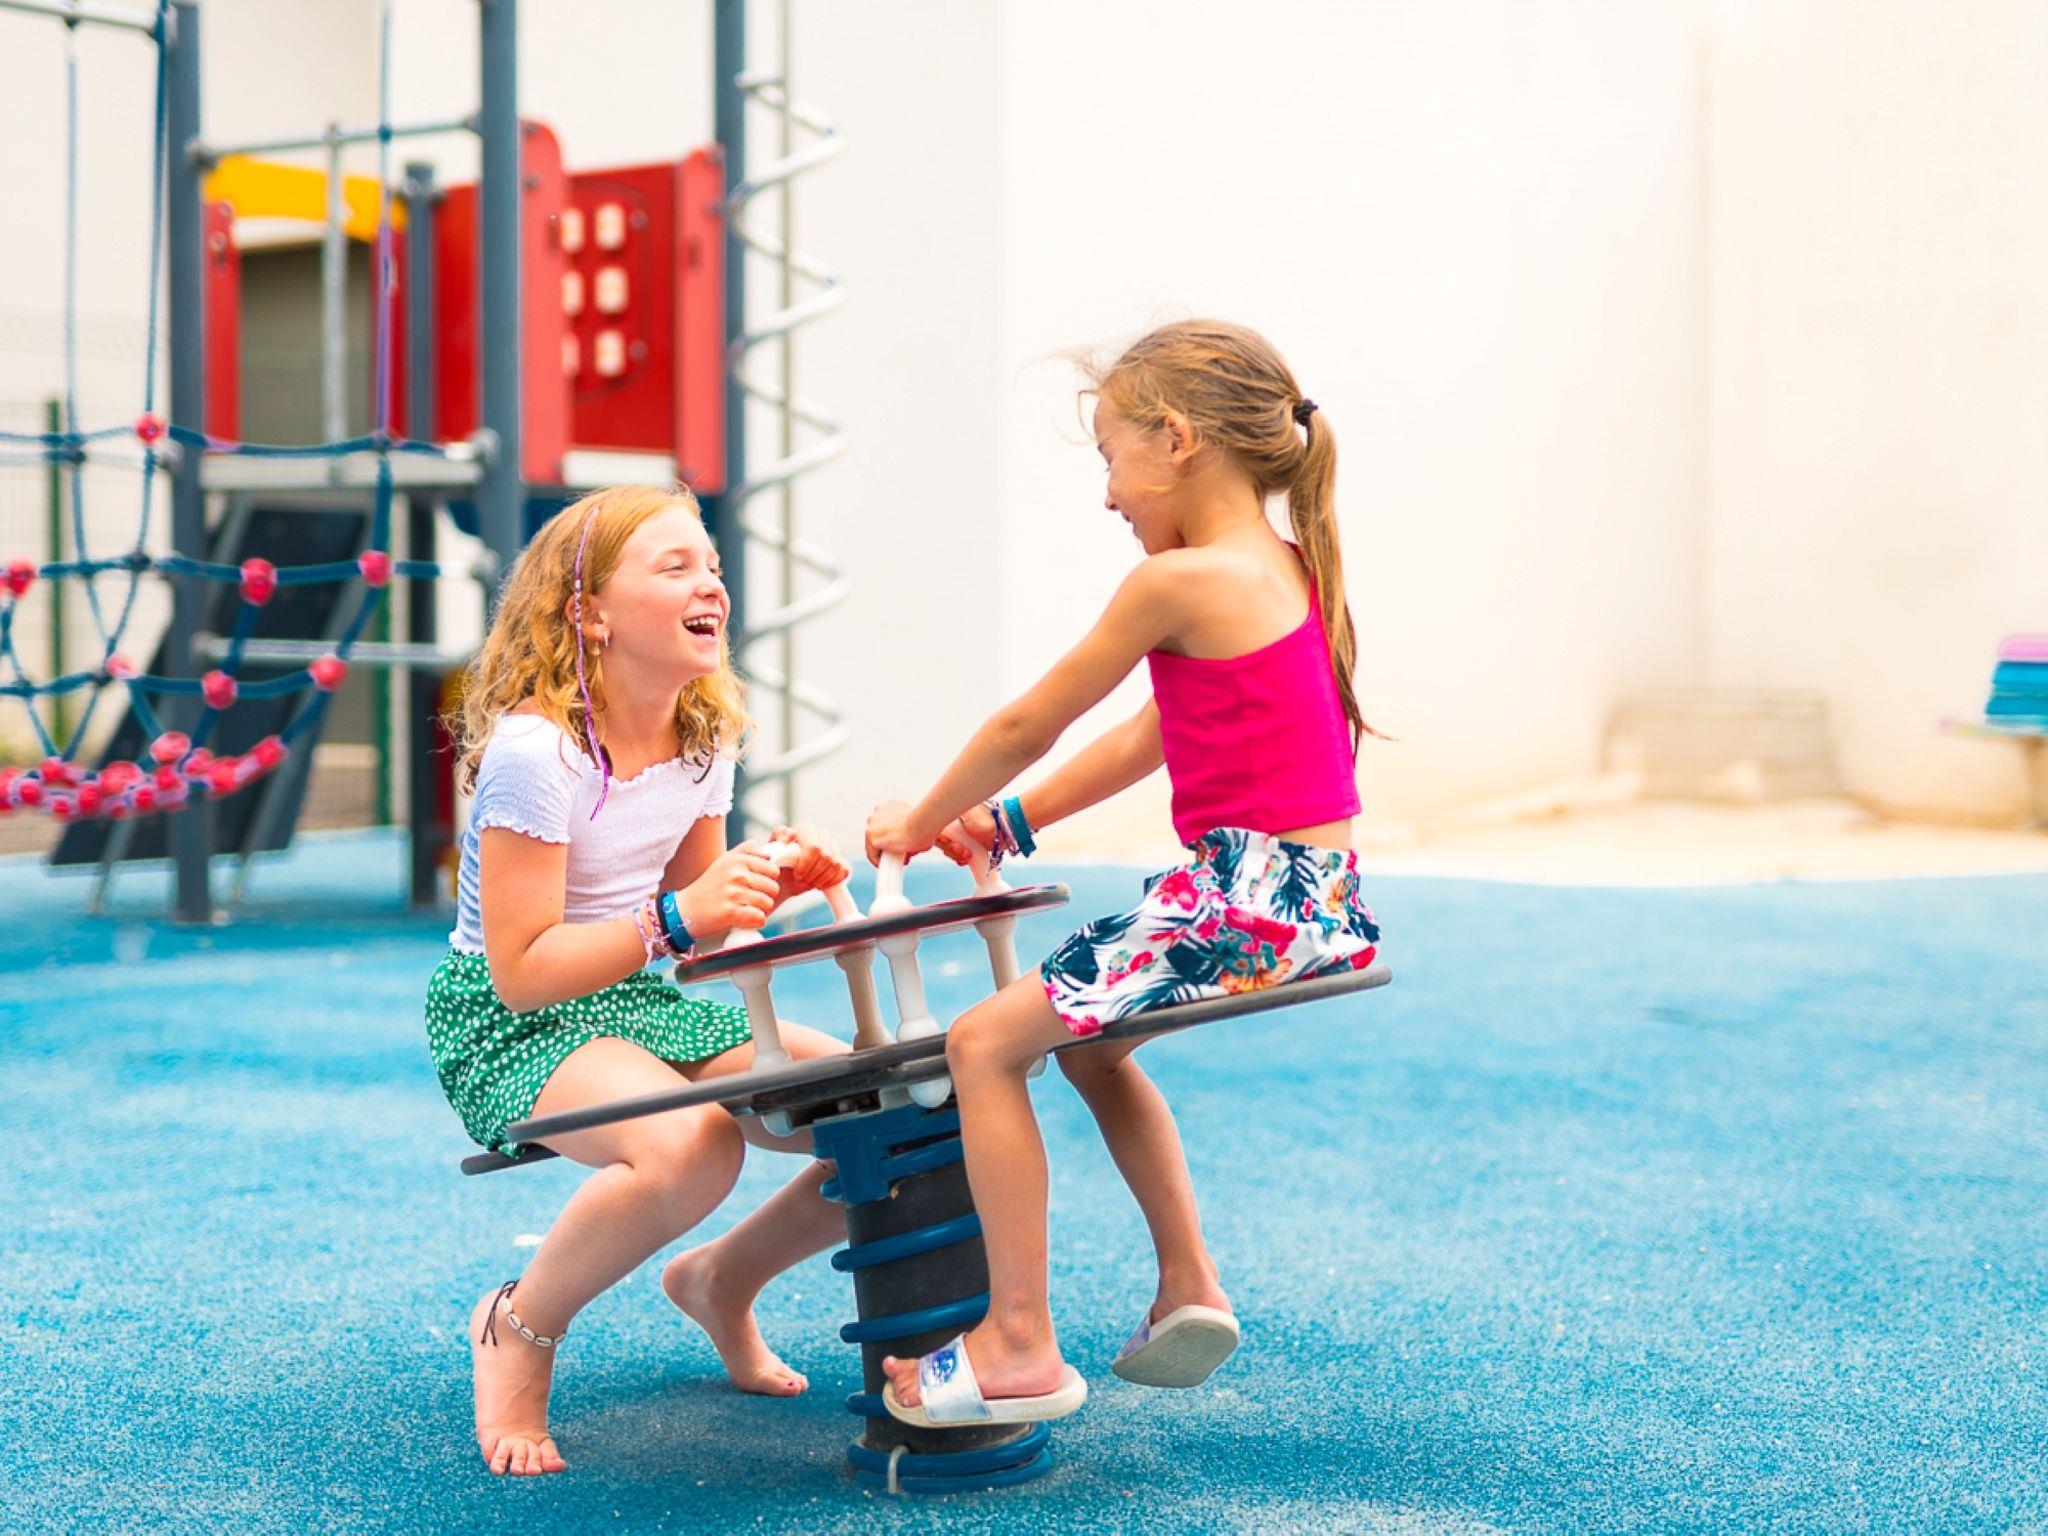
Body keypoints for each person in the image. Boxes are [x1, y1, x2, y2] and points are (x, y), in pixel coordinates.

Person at [865, 320, 1382, 1426]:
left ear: (1177, 440)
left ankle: (1016, 1341)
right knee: (1092, 1052)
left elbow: (1028, 721)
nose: (1107, 495)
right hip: (1314, 893)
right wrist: (1008, 822)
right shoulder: (1283, 566)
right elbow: (1155, 733)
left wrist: (920, 820)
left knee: (981, 1045)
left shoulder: (1174, 581)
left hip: (1250, 890)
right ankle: (1189, 1284)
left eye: (1109, 457)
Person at [427, 484, 850, 1475]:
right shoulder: (539, 752)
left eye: (711, 566)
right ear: (589, 615)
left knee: (886, 1116)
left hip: (633, 1001)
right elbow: (523, 973)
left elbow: (698, 939)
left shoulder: (702, 736)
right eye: (674, 567)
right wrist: (677, 917)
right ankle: (517, 1328)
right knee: (689, 1145)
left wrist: (770, 885)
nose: (711, 585)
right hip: (511, 1022)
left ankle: (719, 1280)